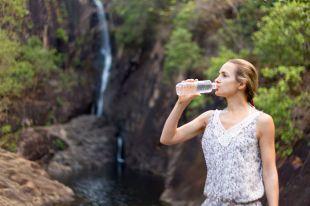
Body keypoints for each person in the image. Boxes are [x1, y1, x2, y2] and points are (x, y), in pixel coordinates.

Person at [160, 59, 279, 206]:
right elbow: (167, 138)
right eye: (218, 74)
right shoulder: (209, 118)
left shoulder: (262, 121)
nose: (217, 79)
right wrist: (181, 103)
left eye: (224, 75)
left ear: (241, 84)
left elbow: (269, 172)